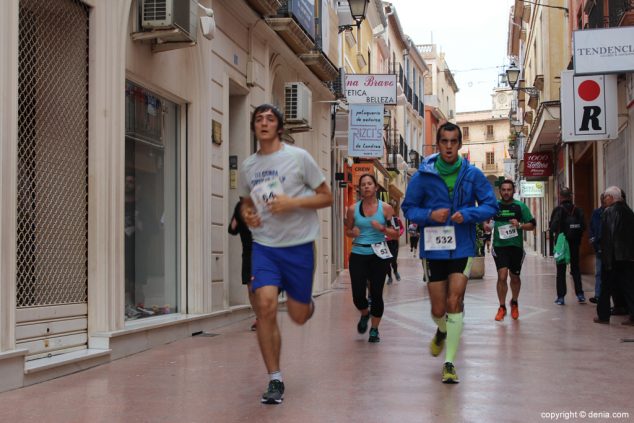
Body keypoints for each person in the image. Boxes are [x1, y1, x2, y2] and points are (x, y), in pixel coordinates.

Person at [239, 104, 333, 404]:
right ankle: (275, 379)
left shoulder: (298, 158)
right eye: (258, 119)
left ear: (279, 127)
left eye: (270, 119)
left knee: (297, 315)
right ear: (253, 127)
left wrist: (291, 203)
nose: (263, 123)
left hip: (299, 246)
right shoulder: (248, 166)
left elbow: (326, 196)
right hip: (265, 247)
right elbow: (246, 203)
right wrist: (248, 215)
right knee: (264, 306)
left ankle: (305, 305)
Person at [402, 122, 497, 384]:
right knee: (438, 307)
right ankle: (442, 330)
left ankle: (449, 362)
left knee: (455, 302)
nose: (448, 146)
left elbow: (491, 205)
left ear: (459, 144)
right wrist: (429, 215)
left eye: (453, 141)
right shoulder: (422, 176)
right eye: (444, 141)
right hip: (433, 247)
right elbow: (408, 208)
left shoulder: (473, 175)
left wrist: (467, 214)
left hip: (463, 246)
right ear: (438, 144)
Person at [345, 174, 400, 343]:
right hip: (359, 254)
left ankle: (374, 329)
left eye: (370, 184)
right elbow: (348, 230)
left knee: (376, 293)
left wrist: (382, 228)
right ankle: (364, 313)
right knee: (357, 295)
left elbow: (396, 233)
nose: (366, 186)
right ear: (360, 188)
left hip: (378, 255)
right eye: (363, 184)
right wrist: (351, 232)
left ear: (376, 187)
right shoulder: (353, 209)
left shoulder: (386, 209)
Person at [491, 180, 536, 321]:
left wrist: (520, 225)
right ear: (499, 191)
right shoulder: (495, 206)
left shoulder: (520, 206)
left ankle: (514, 302)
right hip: (499, 246)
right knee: (502, 276)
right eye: (503, 190)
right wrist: (486, 225)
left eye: (509, 189)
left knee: (515, 277)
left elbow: (532, 225)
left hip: (516, 247)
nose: (506, 192)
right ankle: (502, 306)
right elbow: (486, 221)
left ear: (513, 191)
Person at [594, 186, 634, 325]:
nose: (604, 200)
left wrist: (606, 257)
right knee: (629, 286)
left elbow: (607, 236)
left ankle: (603, 316)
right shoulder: (629, 211)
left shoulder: (608, 212)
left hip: (612, 257)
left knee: (605, 287)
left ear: (611, 197)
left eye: (605, 197)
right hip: (627, 256)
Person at [549, 187, 586, 305]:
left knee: (561, 270)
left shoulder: (558, 210)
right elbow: (584, 226)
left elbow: (553, 227)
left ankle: (561, 297)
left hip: (561, 244)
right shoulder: (578, 210)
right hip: (574, 243)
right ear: (571, 196)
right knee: (575, 268)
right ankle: (580, 294)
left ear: (560, 197)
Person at [228, 200, 256, 331]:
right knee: (251, 289)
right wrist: (237, 218)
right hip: (248, 254)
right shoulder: (240, 206)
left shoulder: (265, 200)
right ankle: (260, 317)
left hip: (266, 251)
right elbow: (232, 230)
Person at [588, 194, 606, 304]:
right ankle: (598, 295)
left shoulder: (611, 213)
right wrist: (593, 239)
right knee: (599, 272)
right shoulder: (596, 213)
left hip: (608, 248)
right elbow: (592, 227)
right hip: (599, 248)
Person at [386, 200, 404, 284]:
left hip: (394, 242)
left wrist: (398, 234)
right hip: (385, 242)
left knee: (393, 259)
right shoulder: (382, 219)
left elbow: (401, 228)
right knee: (386, 261)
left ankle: (395, 271)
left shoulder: (396, 219)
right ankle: (389, 277)